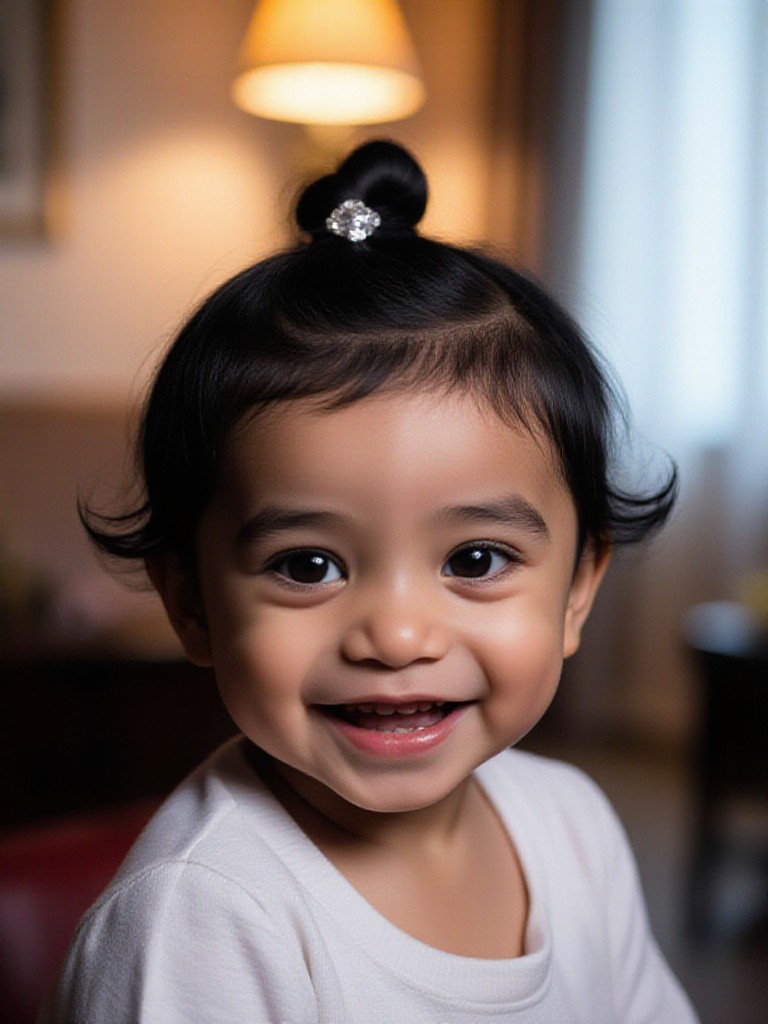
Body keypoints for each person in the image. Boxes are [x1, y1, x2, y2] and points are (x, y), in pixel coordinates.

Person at [42, 140, 698, 1023]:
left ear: (579, 589)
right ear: (190, 601)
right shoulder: (202, 920)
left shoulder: (572, 826)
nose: (396, 636)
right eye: (308, 566)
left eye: (474, 560)